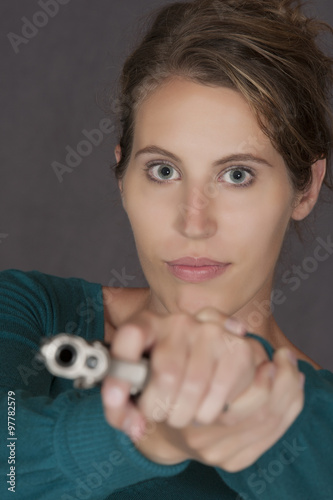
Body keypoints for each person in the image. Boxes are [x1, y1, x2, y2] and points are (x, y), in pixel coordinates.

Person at [1, 0, 333, 498]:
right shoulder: (33, 313)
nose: (193, 222)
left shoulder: (320, 429)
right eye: (164, 171)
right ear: (122, 176)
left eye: (237, 175)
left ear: (304, 189)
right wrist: (151, 432)